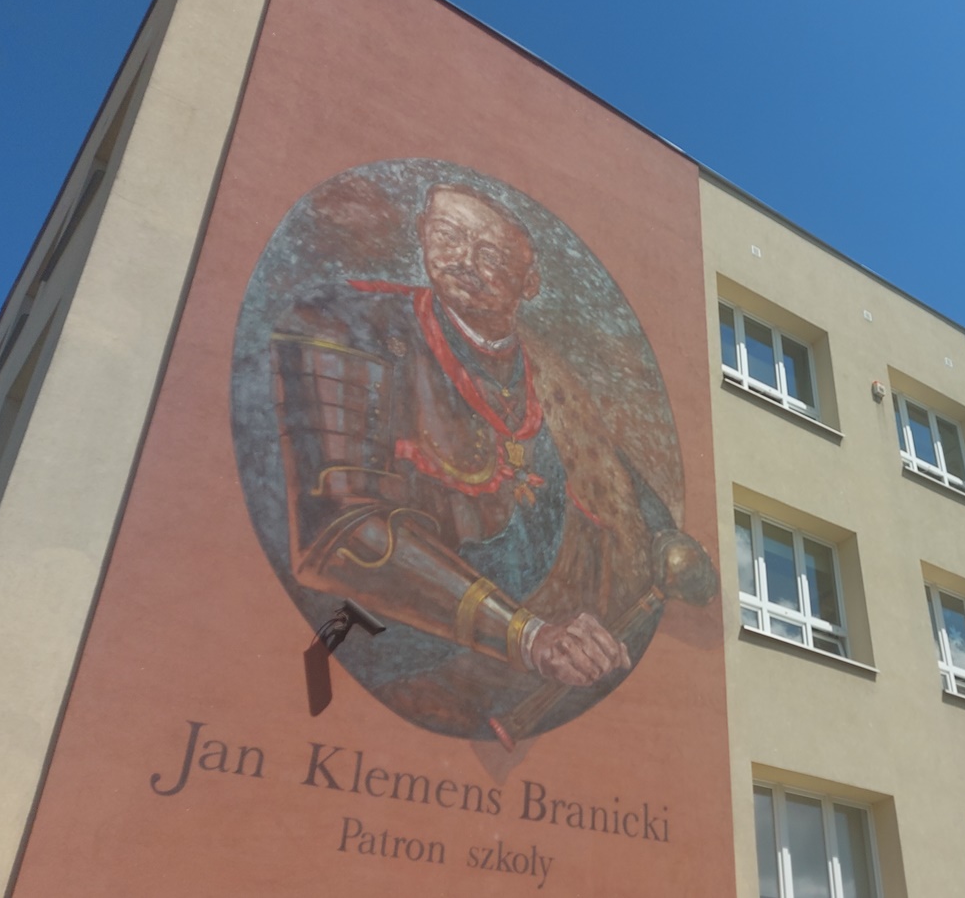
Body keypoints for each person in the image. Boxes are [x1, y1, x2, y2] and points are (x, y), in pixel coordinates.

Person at [268, 182, 695, 739]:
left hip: (509, 682)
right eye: (447, 235)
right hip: (379, 655)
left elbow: (606, 469)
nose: (464, 261)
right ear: (422, 234)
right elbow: (341, 534)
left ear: (529, 282)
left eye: (491, 254)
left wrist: (666, 540)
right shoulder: (346, 322)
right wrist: (528, 636)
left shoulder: (546, 372)